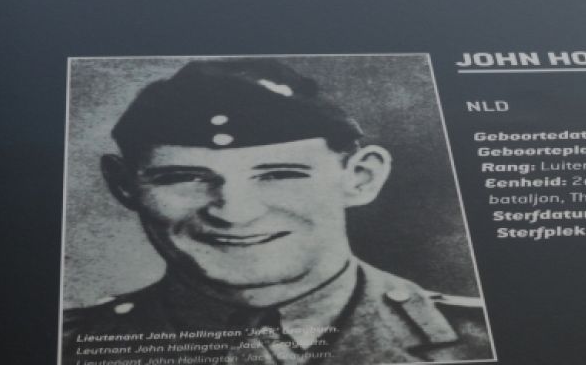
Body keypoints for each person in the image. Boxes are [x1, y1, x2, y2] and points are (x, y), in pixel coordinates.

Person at [63, 59, 493, 365]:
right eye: (184, 177)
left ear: (361, 177)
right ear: (123, 185)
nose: (235, 213)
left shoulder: (482, 339)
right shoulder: (64, 347)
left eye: (279, 174)